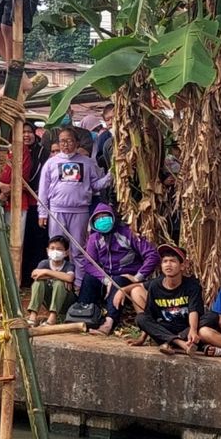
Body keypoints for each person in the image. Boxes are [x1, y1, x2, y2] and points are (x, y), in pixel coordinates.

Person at [37, 127, 111, 284]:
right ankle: (56, 283)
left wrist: (111, 175)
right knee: (56, 249)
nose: (65, 144)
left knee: (78, 250)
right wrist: (42, 213)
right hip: (56, 211)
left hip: (80, 211)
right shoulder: (51, 163)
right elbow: (43, 190)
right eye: (62, 141)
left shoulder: (88, 163)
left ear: (77, 143)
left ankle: (78, 284)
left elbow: (95, 185)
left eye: (69, 141)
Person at [79, 203, 158, 336]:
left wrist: (138, 277)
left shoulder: (128, 233)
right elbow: (88, 263)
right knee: (89, 278)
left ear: (113, 218)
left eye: (105, 216)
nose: (102, 220)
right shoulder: (95, 238)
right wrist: (105, 280)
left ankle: (109, 322)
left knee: (118, 280)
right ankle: (83, 314)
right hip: (107, 277)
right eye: (98, 218)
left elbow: (152, 255)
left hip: (126, 276)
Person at [136, 244, 220, 356]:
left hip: (187, 327)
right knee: (141, 318)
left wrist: (193, 330)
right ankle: (182, 344)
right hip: (167, 327)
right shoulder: (155, 286)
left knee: (212, 316)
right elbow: (150, 315)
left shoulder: (192, 285)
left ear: (182, 265)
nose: (168, 265)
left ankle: (171, 342)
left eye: (172, 261)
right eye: (165, 261)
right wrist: (142, 339)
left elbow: (193, 310)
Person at [26, 236, 76, 326]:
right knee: (38, 283)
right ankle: (32, 317)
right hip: (49, 300)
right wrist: (60, 276)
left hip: (65, 301)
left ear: (66, 252)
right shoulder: (44, 263)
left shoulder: (69, 265)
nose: (55, 251)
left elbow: (69, 278)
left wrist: (46, 272)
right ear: (47, 250)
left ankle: (52, 318)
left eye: (59, 249)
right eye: (52, 248)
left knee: (59, 284)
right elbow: (34, 275)